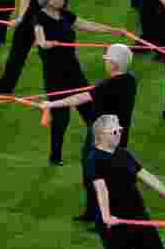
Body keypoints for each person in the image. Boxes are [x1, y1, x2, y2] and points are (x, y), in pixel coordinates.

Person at [40, 44, 137, 225]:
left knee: (97, 177)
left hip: (101, 139)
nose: (106, 63)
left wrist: (51, 104)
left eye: (108, 60)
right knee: (98, 176)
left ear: (114, 65)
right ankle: (93, 213)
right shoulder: (130, 81)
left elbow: (80, 98)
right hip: (116, 136)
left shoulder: (108, 85)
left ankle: (101, 217)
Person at [33, 0, 126, 164]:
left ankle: (104, 146)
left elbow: (87, 25)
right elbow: (40, 39)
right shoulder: (39, 18)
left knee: (90, 111)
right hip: (54, 75)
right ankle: (55, 156)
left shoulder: (66, 15)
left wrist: (113, 30)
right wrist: (47, 44)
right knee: (61, 118)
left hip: (73, 71)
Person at [88, 113, 165, 249]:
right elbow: (102, 189)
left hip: (137, 214)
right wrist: (107, 217)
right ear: (101, 135)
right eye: (115, 131)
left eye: (120, 130)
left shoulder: (123, 154)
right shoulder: (95, 159)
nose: (119, 134)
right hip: (115, 220)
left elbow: (147, 177)